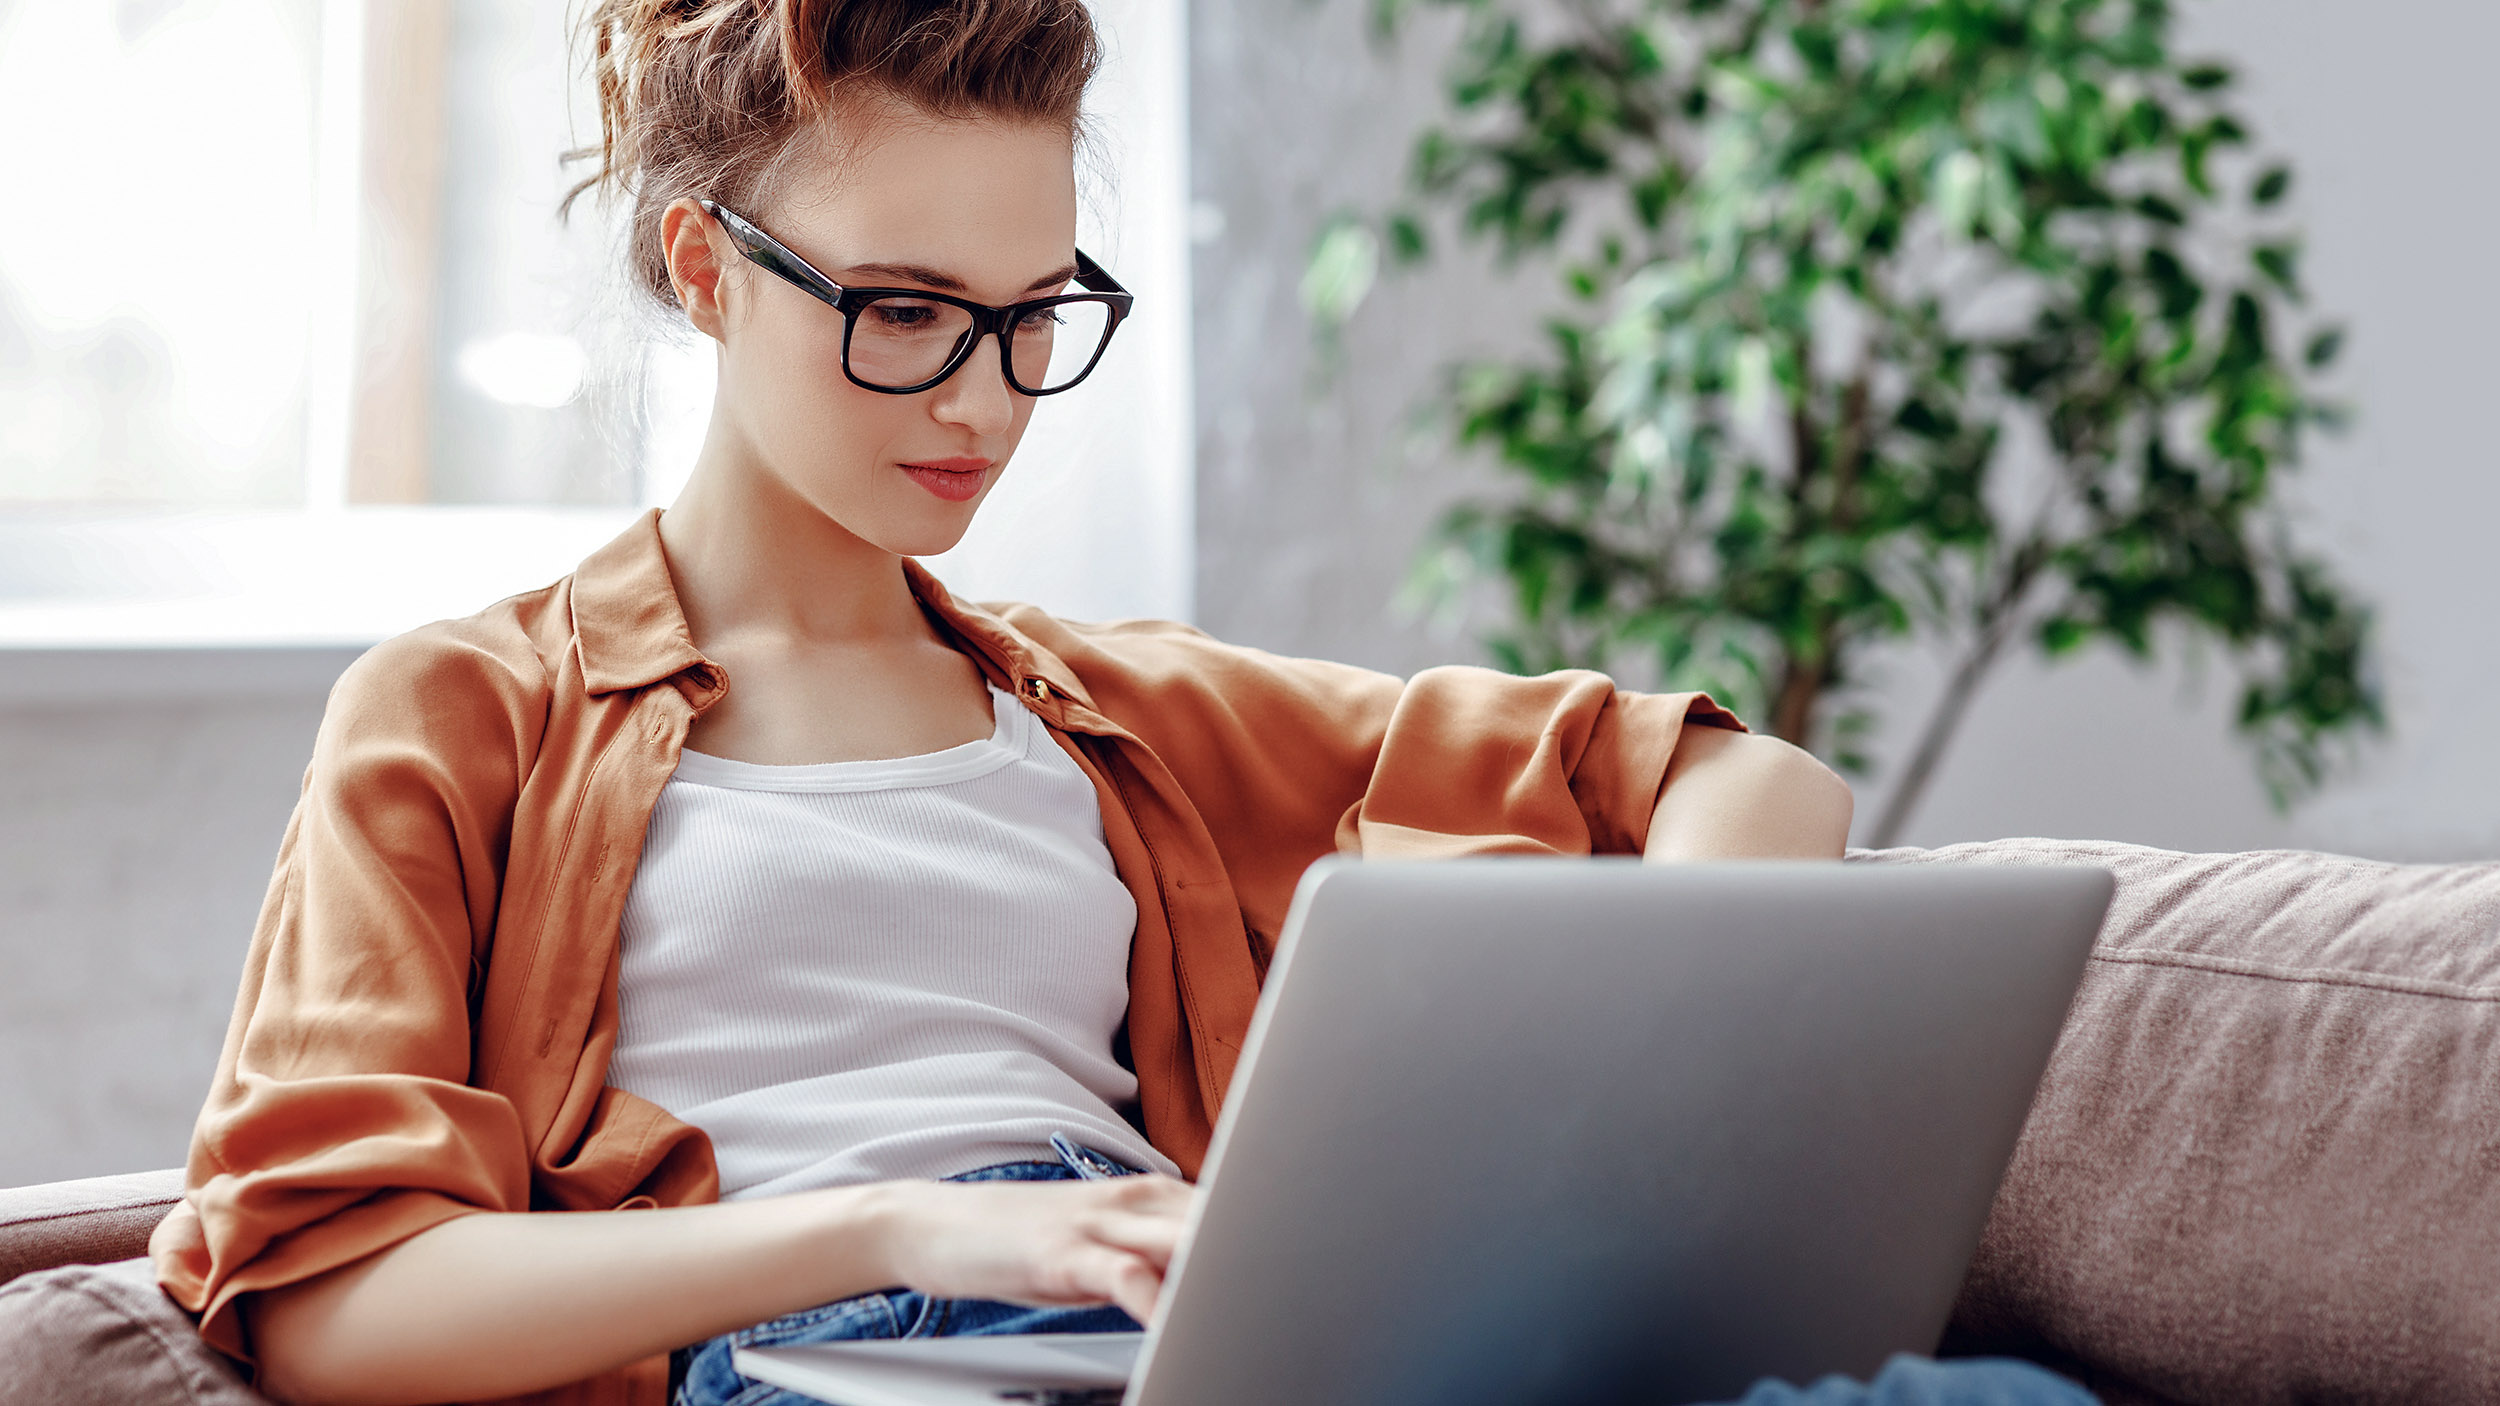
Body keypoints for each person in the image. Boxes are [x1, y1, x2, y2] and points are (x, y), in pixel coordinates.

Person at [144, 2, 2090, 1404]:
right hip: (841, 1347)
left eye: (1033, 314)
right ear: (705, 272)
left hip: (1204, 1324)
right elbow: (333, 1298)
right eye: (901, 311)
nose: (983, 401)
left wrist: (1652, 1117)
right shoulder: (465, 715)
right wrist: (899, 1230)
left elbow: (1735, 782)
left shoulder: (1113, 713)